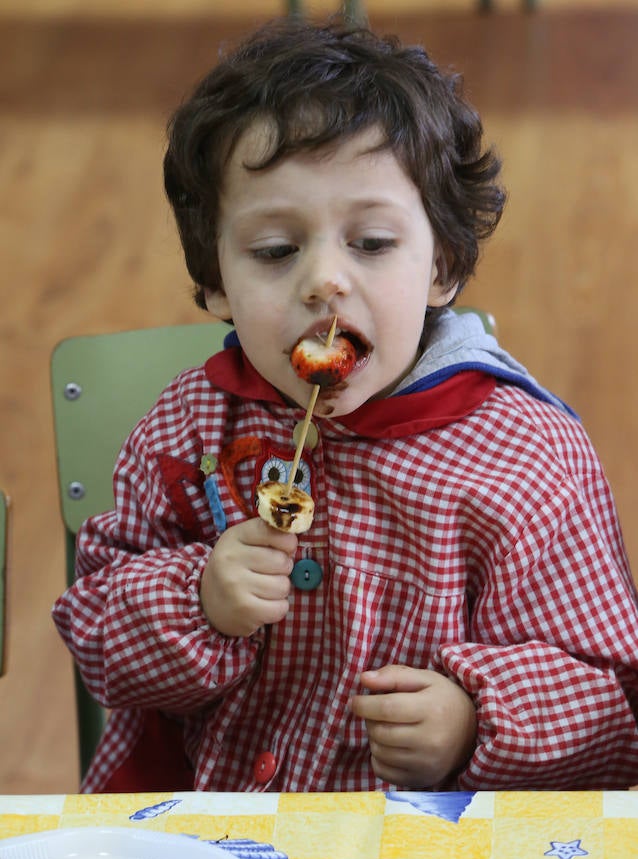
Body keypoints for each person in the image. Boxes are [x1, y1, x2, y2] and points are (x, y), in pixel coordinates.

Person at [53, 17, 638, 794]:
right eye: (274, 251)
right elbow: (95, 634)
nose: (323, 280)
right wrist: (198, 600)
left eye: (371, 243)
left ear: (445, 265)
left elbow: (610, 702)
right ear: (216, 282)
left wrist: (474, 720)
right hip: (198, 830)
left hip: (420, 848)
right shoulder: (188, 426)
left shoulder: (526, 456)